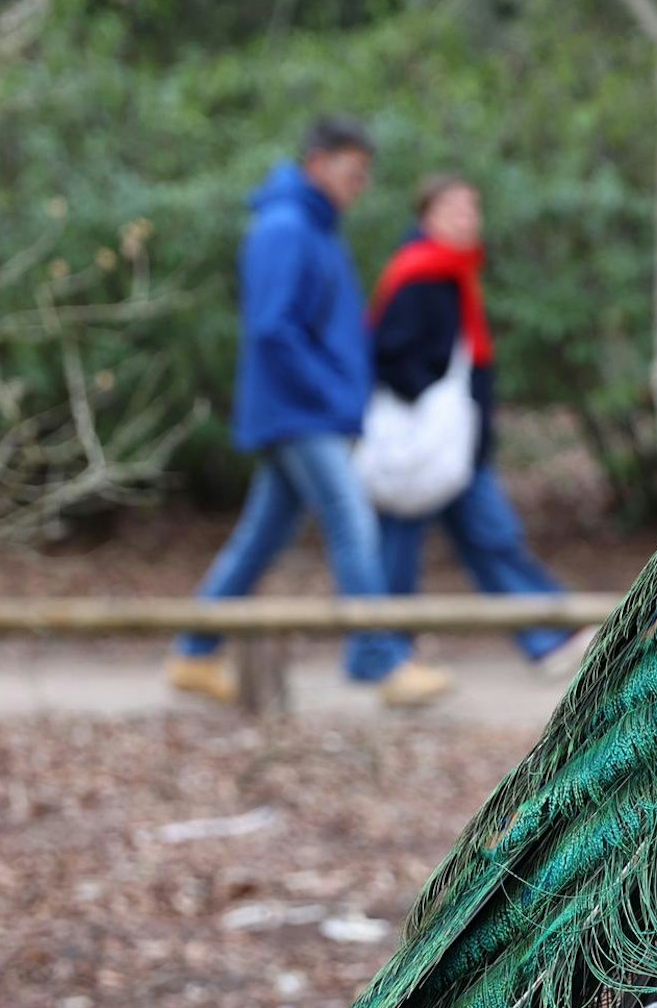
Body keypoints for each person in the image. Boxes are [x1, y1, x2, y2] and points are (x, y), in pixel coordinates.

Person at [167, 118, 452, 708]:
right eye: (354, 172)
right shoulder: (287, 228)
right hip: (300, 414)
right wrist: (330, 396)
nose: (361, 185)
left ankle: (194, 652)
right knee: (352, 518)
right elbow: (273, 329)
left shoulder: (317, 228)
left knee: (259, 540)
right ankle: (380, 661)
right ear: (318, 164)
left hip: (312, 410)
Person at [369, 175, 585, 677]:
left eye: (473, 209)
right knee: (425, 545)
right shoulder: (420, 276)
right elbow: (390, 358)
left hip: (456, 447)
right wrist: (439, 406)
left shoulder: (454, 274)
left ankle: (552, 635)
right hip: (431, 446)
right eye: (456, 210)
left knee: (484, 540)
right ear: (427, 217)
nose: (468, 220)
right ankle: (387, 652)